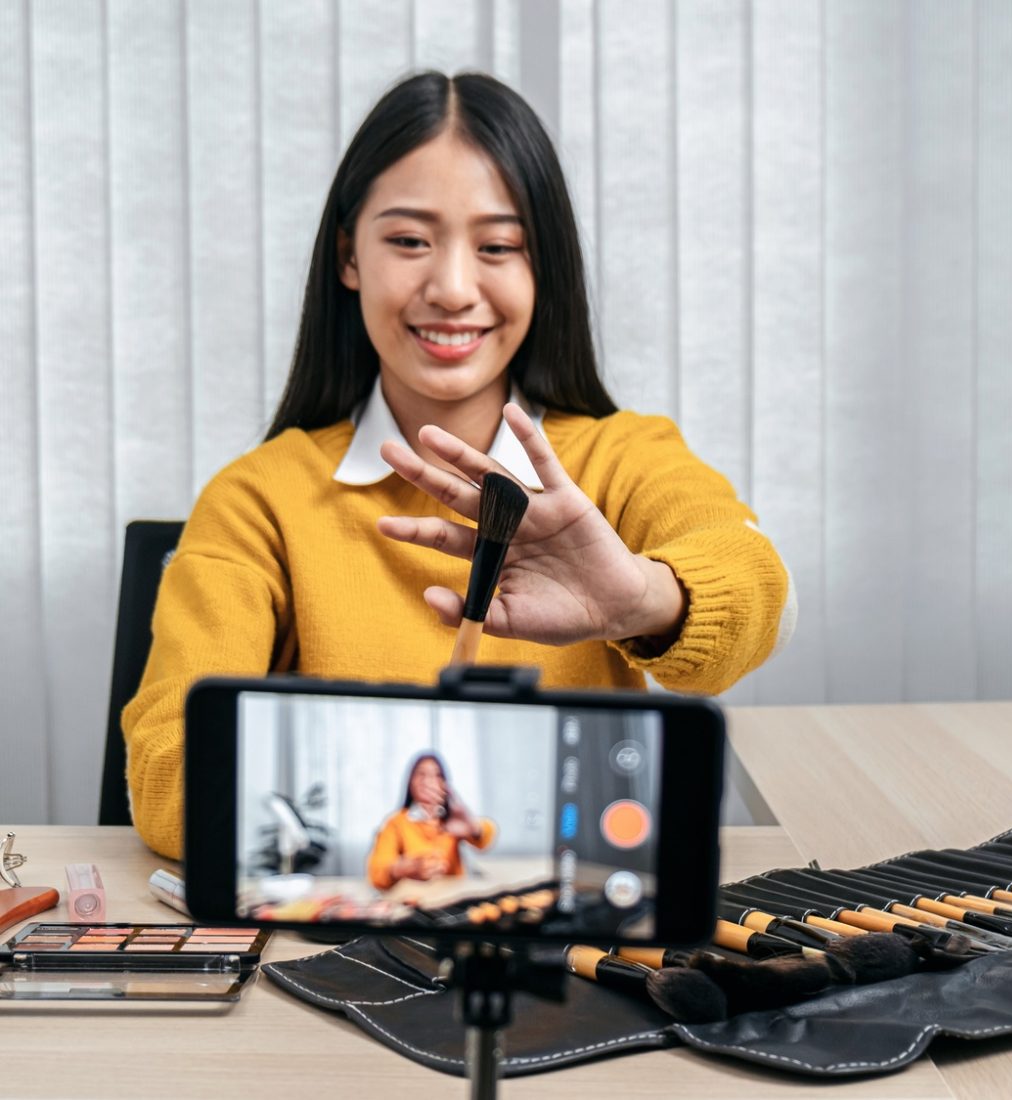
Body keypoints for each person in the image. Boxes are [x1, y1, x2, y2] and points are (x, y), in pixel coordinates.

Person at [123, 71, 796, 861]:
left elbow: (757, 594)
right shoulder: (258, 497)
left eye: (499, 247)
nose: (450, 288)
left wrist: (637, 600)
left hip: (569, 947)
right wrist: (435, 808)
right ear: (349, 258)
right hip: (343, 944)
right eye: (408, 240)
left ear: (543, 267)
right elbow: (174, 776)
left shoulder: (623, 457)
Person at [366, 753, 495, 890]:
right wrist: (401, 869)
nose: (428, 781)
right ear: (410, 782)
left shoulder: (453, 819)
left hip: (453, 900)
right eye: (421, 774)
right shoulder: (396, 823)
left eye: (437, 775)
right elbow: (376, 873)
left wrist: (472, 826)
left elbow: (485, 840)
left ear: (445, 784)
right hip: (416, 901)